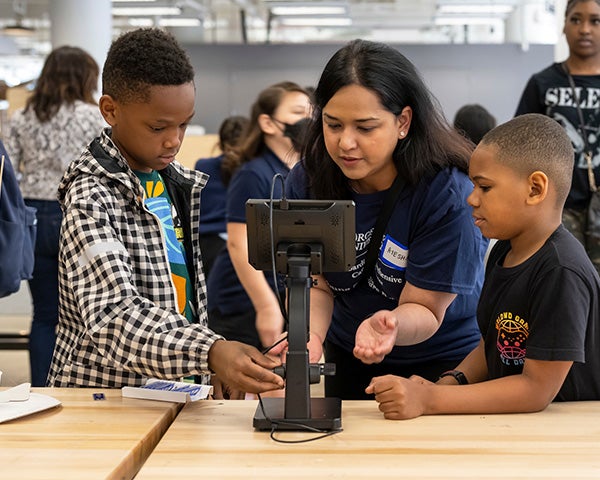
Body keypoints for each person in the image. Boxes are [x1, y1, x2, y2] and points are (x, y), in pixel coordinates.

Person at [46, 28, 284, 398]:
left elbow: (180, 299)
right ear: (110, 110)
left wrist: (202, 368)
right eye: (158, 127)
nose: (174, 139)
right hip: (103, 402)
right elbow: (114, 317)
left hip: (169, 393)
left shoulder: (173, 185)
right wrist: (209, 352)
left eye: (184, 123)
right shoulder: (91, 195)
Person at [282, 39, 488, 400]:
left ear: (403, 122)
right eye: (333, 125)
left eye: (365, 128)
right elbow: (317, 284)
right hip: (351, 352)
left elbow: (426, 308)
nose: (346, 143)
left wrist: (390, 327)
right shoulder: (310, 179)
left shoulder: (445, 193)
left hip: (442, 362)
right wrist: (309, 337)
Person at [366, 113, 600, 419]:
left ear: (535, 189)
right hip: (519, 424)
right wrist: (449, 382)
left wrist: (430, 399)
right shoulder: (506, 249)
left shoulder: (560, 271)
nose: (471, 199)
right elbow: (494, 343)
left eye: (484, 188)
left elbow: (535, 390)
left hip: (562, 434)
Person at [4, 46, 105, 386]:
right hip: (74, 213)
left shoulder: (22, 116)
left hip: (32, 216)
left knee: (45, 314)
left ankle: (40, 391)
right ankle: (74, 387)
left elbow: (9, 169)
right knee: (80, 314)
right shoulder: (93, 117)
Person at [207, 82, 311, 351]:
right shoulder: (253, 174)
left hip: (277, 293)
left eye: (312, 113)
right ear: (268, 123)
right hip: (242, 299)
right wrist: (266, 306)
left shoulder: (299, 173)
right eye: (299, 112)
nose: (308, 120)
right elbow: (237, 243)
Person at [515, 0, 600, 273]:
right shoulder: (543, 83)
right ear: (564, 24)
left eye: (595, 21)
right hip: (558, 206)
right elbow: (521, 146)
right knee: (566, 278)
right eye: (576, 20)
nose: (584, 29)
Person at [194, 115, 249, 277]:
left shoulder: (203, 165)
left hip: (206, 244)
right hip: (240, 242)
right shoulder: (253, 170)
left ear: (221, 143)